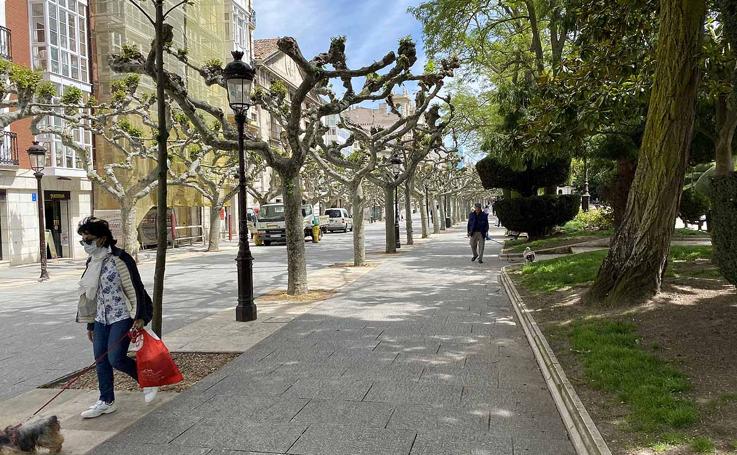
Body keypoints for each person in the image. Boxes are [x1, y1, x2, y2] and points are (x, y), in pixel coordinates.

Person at [76, 217, 157, 419]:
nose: (85, 243)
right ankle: (106, 401)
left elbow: (136, 288)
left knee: (116, 358)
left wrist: (140, 317)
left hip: (122, 316)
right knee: (101, 360)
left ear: (102, 239)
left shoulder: (121, 258)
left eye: (88, 239)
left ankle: (147, 381)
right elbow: (90, 295)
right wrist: (90, 324)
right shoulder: (92, 261)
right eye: (83, 239)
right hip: (101, 318)